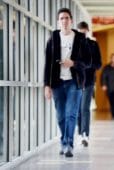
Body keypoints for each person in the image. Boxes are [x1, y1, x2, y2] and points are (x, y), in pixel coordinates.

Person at [44, 8, 89, 157]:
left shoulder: (80, 38)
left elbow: (88, 61)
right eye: (61, 18)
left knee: (71, 114)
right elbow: (48, 63)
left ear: (71, 20)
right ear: (58, 21)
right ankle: (64, 140)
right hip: (57, 83)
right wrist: (47, 85)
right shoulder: (53, 38)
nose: (64, 21)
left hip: (74, 83)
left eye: (67, 18)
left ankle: (68, 144)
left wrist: (74, 63)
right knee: (61, 116)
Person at [77, 21, 102, 147]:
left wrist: (87, 64)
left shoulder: (93, 44)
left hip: (88, 81)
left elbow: (99, 64)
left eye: (84, 32)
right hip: (75, 81)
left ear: (87, 31)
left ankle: (84, 134)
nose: (82, 35)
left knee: (85, 108)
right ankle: (79, 133)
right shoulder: (73, 45)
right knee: (77, 109)